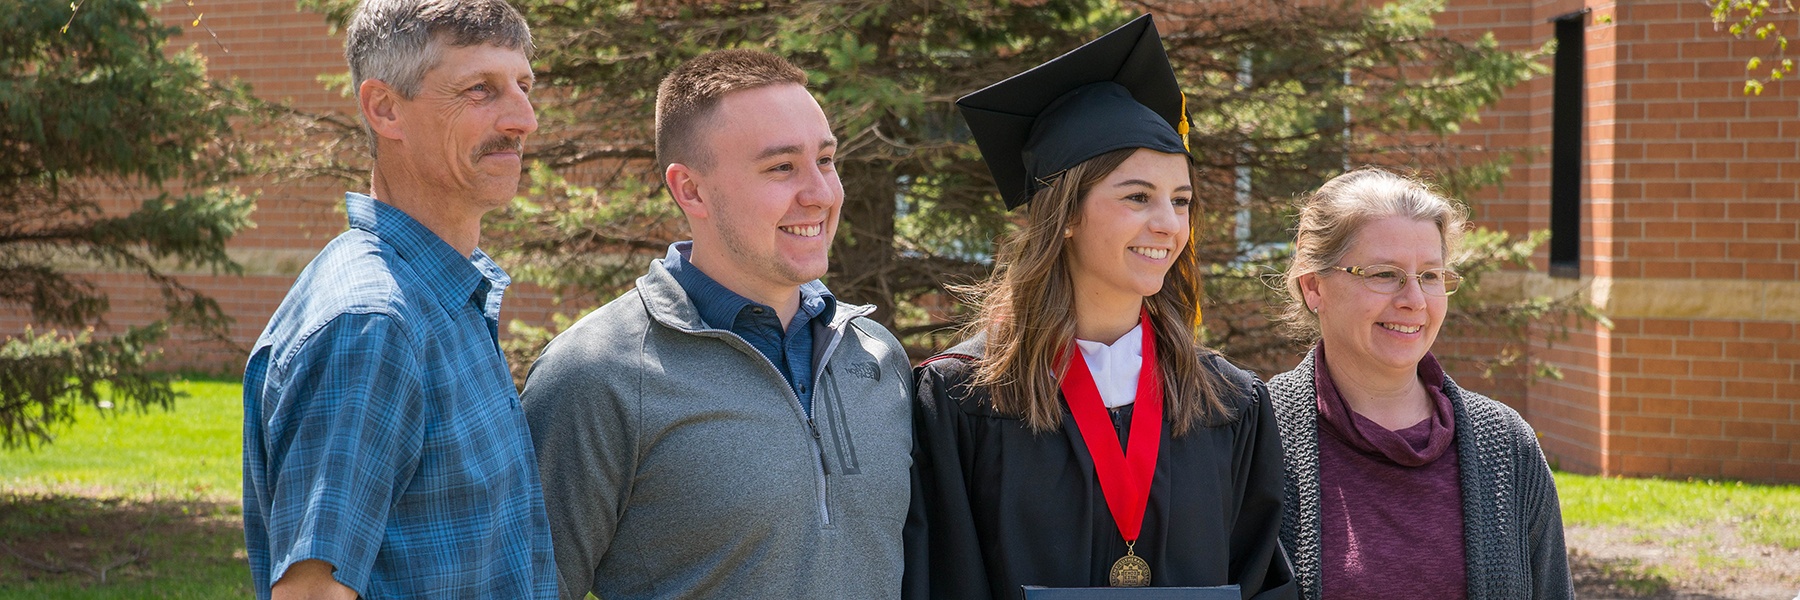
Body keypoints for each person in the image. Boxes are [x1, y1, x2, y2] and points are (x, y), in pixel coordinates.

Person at [904, 15, 1296, 600]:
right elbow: (942, 579)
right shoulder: (963, 400)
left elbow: (1263, 583)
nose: (1167, 224)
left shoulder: (1228, 402)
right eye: (1137, 196)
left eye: (1181, 200)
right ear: (1065, 213)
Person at [519, 49, 913, 600]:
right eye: (781, 167)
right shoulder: (597, 373)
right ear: (691, 190)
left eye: (825, 160)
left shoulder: (876, 355)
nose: (820, 195)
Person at [240, 1, 553, 599]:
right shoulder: (373, 325)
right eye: (481, 89)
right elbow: (312, 594)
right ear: (386, 109)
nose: (524, 119)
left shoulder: (444, 293)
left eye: (523, 85)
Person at [1268, 167, 1574, 600]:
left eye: (1430, 276)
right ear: (1314, 285)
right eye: (1383, 274)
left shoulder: (1505, 447)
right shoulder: (1257, 437)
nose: (1413, 300)